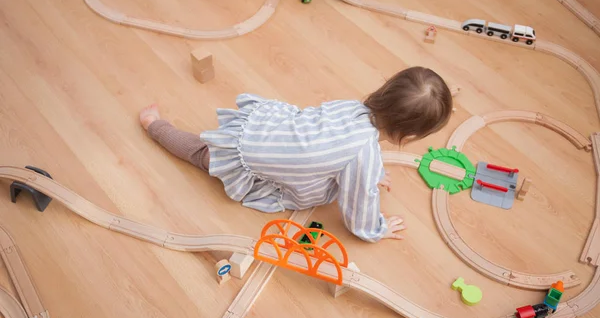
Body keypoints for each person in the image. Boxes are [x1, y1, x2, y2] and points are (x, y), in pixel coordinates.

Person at [139, 66, 453, 242]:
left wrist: (370, 170)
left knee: (209, 150)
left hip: (264, 129)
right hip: (252, 160)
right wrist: (378, 229)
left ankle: (158, 126)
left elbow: (330, 139)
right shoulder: (363, 153)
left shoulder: (351, 108)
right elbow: (359, 203)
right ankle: (154, 126)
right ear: (410, 136)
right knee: (200, 154)